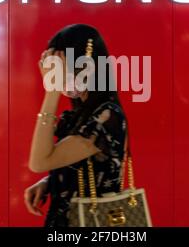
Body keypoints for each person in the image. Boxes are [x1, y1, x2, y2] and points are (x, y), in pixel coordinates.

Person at [25, 23, 127, 227]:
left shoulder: (107, 116)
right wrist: (51, 182)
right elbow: (83, 162)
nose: (65, 76)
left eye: (67, 67)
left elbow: (38, 163)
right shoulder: (78, 114)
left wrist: (52, 91)